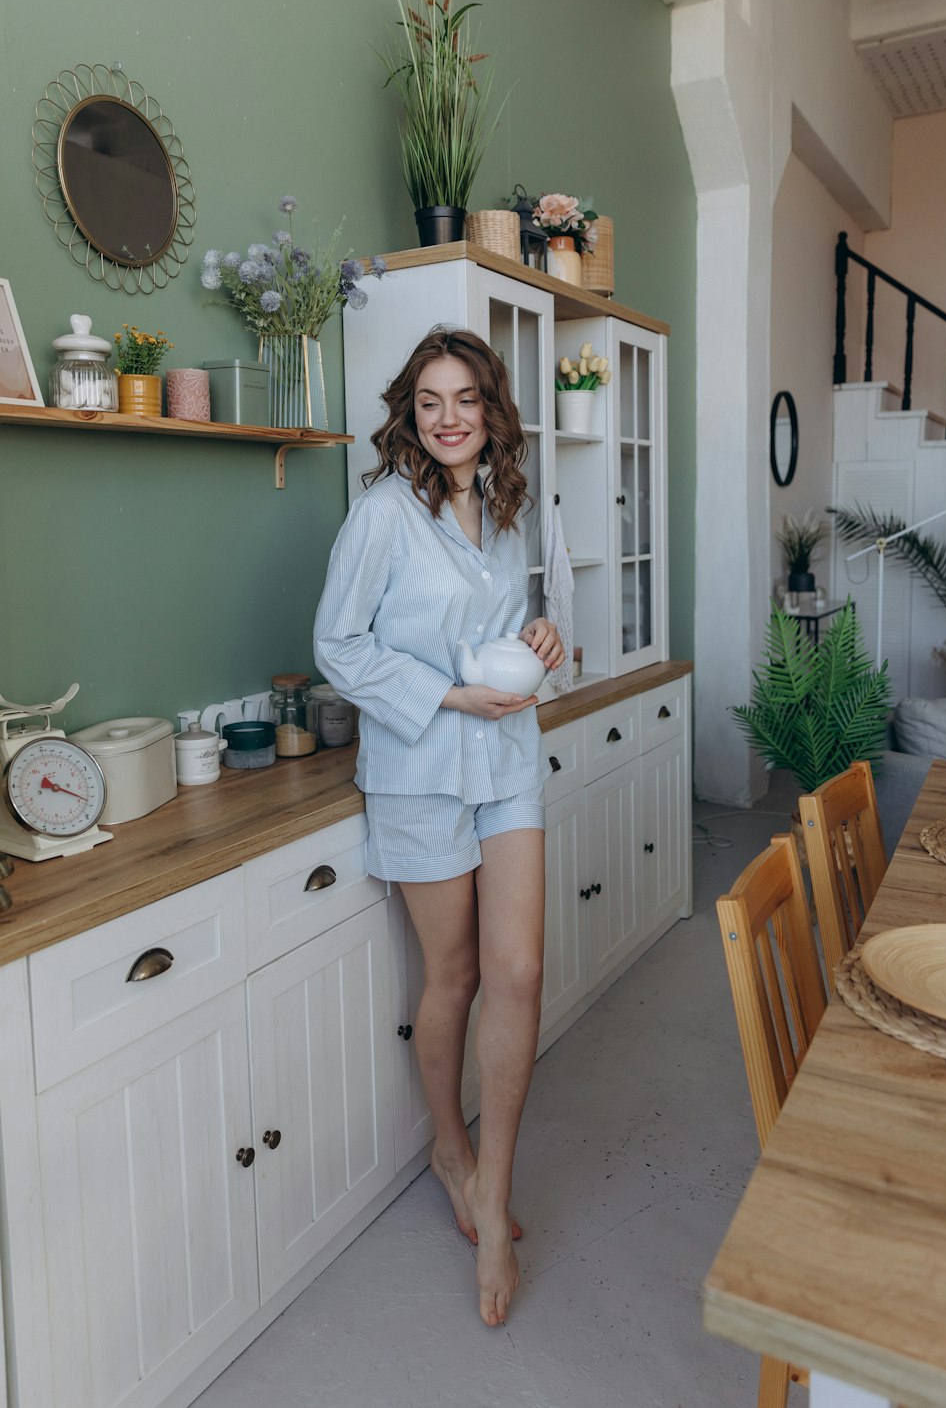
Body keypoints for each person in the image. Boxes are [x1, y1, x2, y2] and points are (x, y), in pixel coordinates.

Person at [313, 327, 564, 1329]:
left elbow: (511, 631)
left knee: (520, 973)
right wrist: (447, 696)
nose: (449, 416)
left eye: (465, 398)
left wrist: (544, 636)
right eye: (430, 401)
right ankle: (446, 1149)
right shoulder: (379, 516)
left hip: (505, 761)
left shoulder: (506, 508)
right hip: (420, 764)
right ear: (409, 416)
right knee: (452, 976)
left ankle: (492, 1197)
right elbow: (337, 646)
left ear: (490, 411)